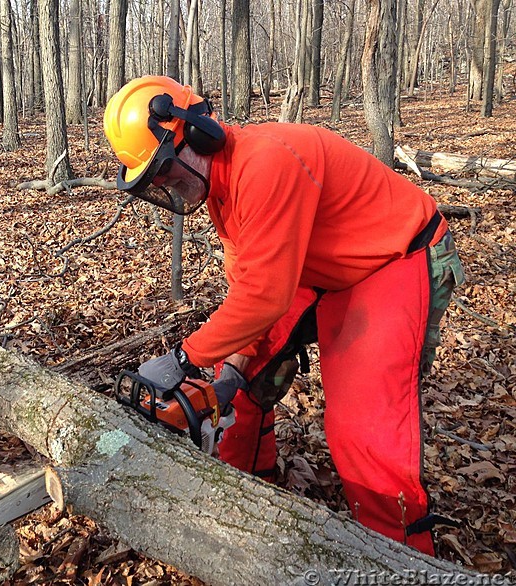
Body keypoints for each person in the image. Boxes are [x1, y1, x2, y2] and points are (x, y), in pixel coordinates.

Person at [102, 75, 465, 556]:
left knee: (362, 426)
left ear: (197, 132)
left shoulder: (266, 161)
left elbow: (265, 298)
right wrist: (230, 368)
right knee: (237, 388)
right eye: (156, 181)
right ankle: (247, 502)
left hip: (390, 257)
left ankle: (404, 555)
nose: (167, 184)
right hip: (313, 268)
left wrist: (183, 358)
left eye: (166, 169)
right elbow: (249, 290)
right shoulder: (221, 190)